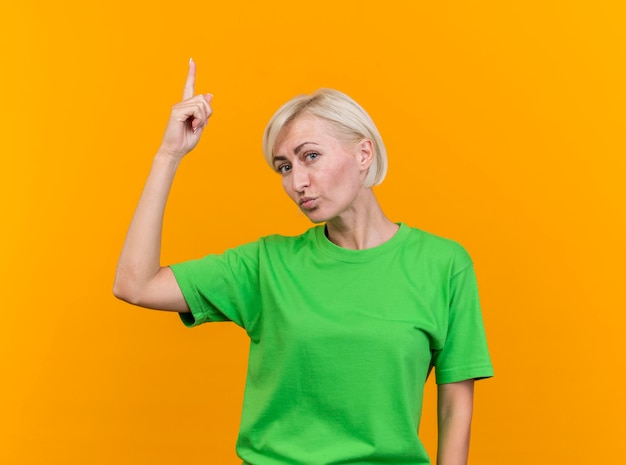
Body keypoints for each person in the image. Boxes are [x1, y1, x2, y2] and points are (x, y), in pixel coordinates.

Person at [114, 59, 493, 465]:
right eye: (284, 167)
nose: (297, 183)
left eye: (310, 156)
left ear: (364, 152)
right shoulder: (267, 265)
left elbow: (455, 406)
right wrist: (169, 154)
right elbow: (135, 285)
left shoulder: (443, 264)